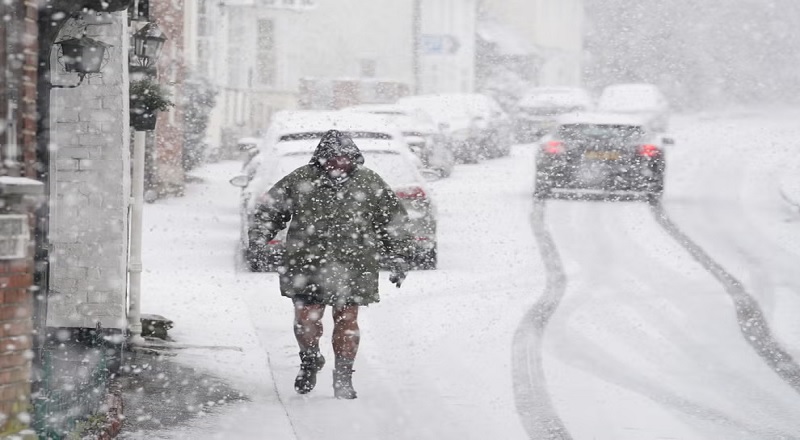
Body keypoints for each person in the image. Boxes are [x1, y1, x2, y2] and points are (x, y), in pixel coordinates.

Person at [249, 130, 412, 399]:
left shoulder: (369, 183)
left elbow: (393, 220)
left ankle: (344, 376)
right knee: (306, 320)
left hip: (354, 265)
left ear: (354, 158)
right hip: (306, 264)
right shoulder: (301, 179)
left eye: (344, 157)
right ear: (321, 158)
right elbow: (269, 210)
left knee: (347, 321)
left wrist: (400, 255)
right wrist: (258, 239)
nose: (339, 163)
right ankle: (310, 359)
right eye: (332, 158)